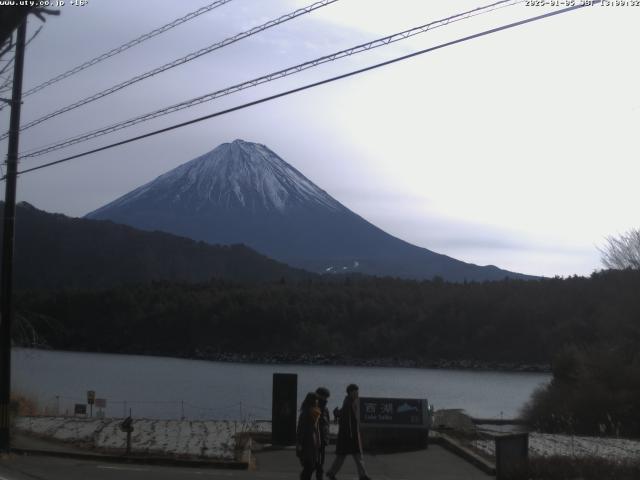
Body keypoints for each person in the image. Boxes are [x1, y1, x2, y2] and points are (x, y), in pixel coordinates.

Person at [326, 384, 371, 480]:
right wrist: (353, 435)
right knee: (351, 456)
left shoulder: (349, 401)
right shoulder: (348, 403)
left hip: (347, 435)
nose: (357, 393)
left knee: (348, 456)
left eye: (357, 391)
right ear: (350, 392)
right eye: (355, 392)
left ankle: (363, 475)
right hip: (349, 436)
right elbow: (348, 421)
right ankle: (362, 476)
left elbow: (344, 416)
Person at [296, 392, 322, 480]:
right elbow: (301, 429)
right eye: (316, 399)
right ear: (313, 401)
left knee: (311, 466)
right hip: (307, 443)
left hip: (313, 443)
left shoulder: (315, 412)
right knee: (309, 466)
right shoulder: (307, 413)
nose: (317, 401)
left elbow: (316, 429)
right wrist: (299, 443)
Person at [315, 387, 331, 480]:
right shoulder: (314, 408)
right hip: (315, 440)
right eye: (324, 397)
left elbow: (327, 424)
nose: (325, 399)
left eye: (326, 397)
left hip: (323, 440)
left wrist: (326, 438)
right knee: (314, 464)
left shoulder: (326, 409)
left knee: (321, 463)